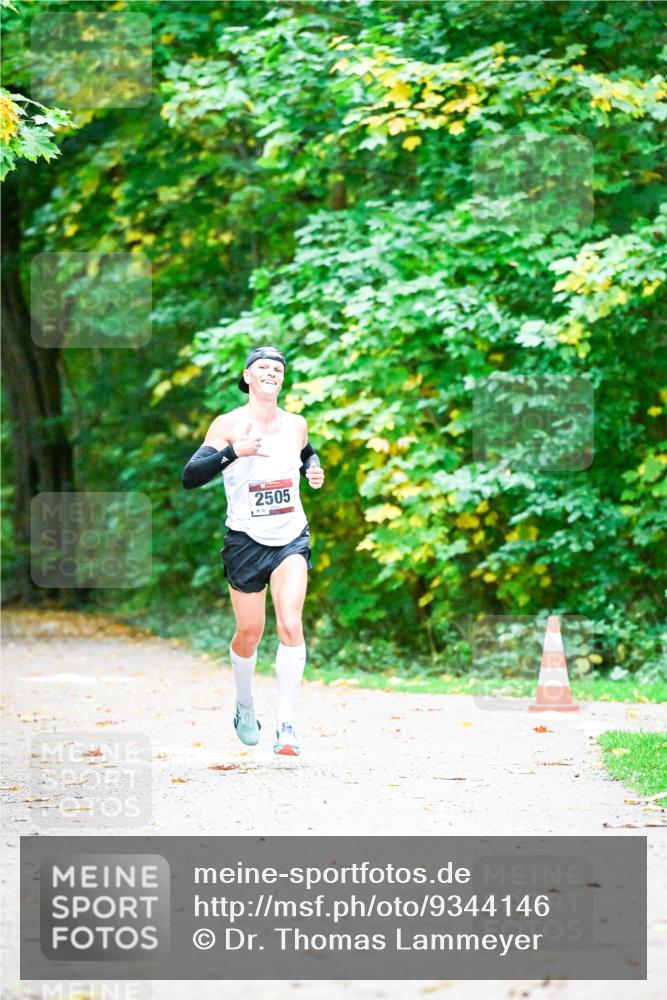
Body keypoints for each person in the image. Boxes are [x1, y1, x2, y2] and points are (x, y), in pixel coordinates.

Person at [181, 346, 325, 756]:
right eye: (263, 367)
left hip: (290, 535)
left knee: (290, 625)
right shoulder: (228, 425)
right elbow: (190, 476)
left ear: (282, 379)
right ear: (247, 376)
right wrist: (233, 453)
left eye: (278, 369)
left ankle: (287, 725)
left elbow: (306, 453)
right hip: (245, 540)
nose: (271, 373)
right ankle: (245, 706)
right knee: (250, 634)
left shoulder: (296, 424)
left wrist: (311, 469)